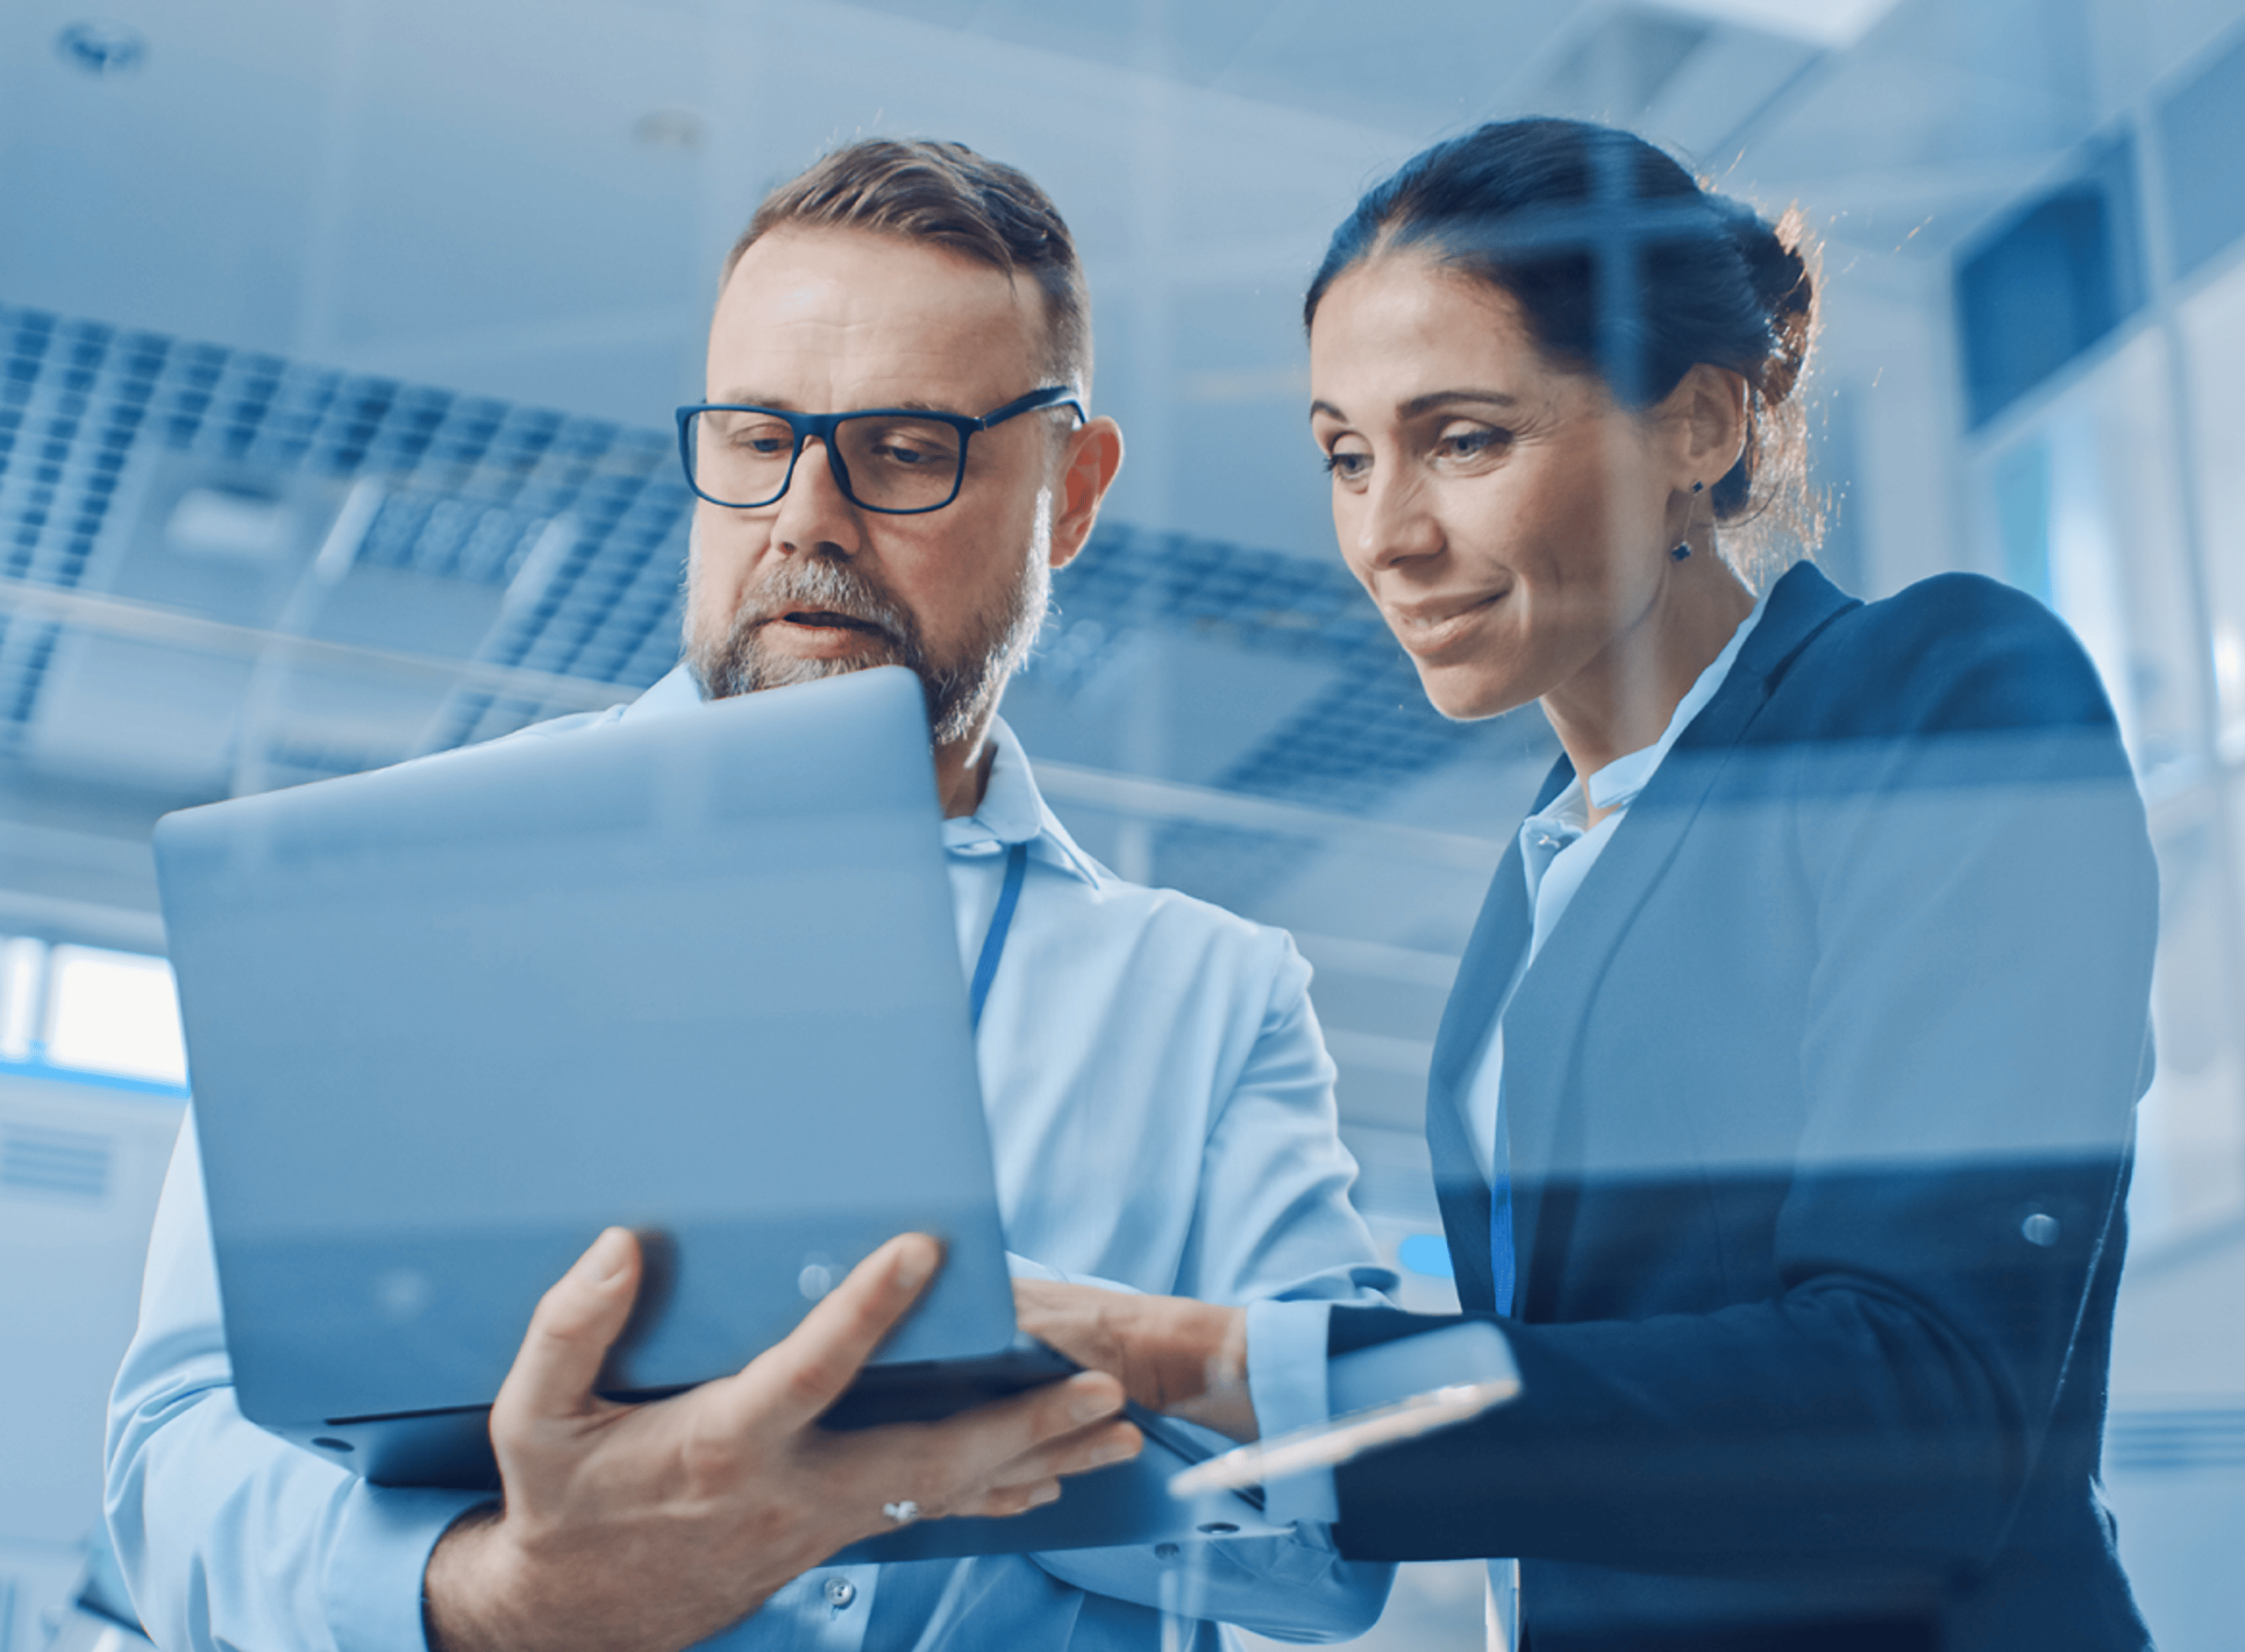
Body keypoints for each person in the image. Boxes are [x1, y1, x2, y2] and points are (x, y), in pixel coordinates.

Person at [106, 139, 1395, 1652]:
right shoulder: (393, 896)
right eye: (755, 437)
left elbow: (1339, 1536)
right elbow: (172, 1466)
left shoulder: (1210, 995)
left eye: (905, 450)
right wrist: (504, 1596)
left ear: (1069, 493)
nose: (808, 517)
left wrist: (958, 1387)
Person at [1019, 117, 2161, 1651]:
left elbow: (1921, 1405)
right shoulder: (1538, 883)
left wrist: (1200, 1353)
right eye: (1346, 455)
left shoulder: (1933, 693)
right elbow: (1570, 1432)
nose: (1386, 534)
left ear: (1699, 426)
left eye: (1465, 440)